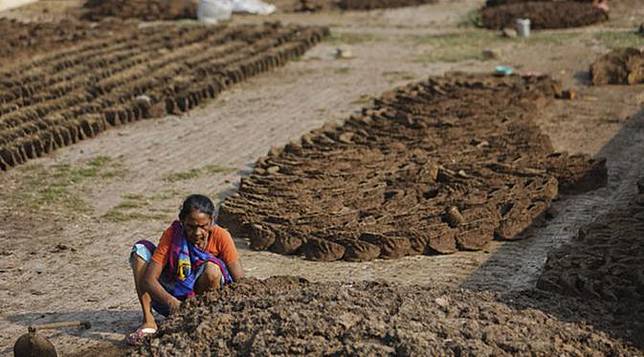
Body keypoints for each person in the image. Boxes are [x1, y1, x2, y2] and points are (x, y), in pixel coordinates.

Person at [126, 194, 244, 345]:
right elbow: (149, 279)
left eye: (203, 226)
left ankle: (204, 319)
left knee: (212, 270)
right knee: (140, 252)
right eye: (191, 226)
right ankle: (149, 322)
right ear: (182, 222)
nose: (197, 233)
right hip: (172, 299)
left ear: (212, 221)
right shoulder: (173, 234)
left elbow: (241, 281)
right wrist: (172, 303)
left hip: (203, 300)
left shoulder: (221, 236)